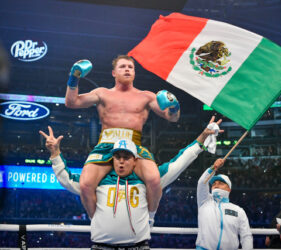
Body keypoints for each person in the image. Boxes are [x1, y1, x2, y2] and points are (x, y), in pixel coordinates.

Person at [39, 117, 222, 249]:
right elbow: (67, 178)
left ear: (135, 160)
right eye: (117, 157)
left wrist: (203, 137)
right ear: (111, 159)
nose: (121, 161)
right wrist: (55, 153)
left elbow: (179, 161)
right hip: (101, 247)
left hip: (138, 246)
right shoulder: (98, 181)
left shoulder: (147, 181)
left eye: (126, 157)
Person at [64, 55, 180, 218]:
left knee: (154, 181)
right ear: (113, 73)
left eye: (130, 67)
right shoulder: (102, 93)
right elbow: (71, 102)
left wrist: (175, 106)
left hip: (134, 146)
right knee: (85, 185)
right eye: (123, 67)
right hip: (106, 145)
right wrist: (73, 77)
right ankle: (94, 221)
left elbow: (172, 117)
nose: (127, 69)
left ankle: (150, 219)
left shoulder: (147, 96)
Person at [196, 159, 253, 250]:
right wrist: (213, 168)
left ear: (229, 189)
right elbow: (202, 183)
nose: (216, 185)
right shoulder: (205, 202)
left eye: (221, 183)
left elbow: (246, 236)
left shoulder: (238, 210)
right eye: (214, 183)